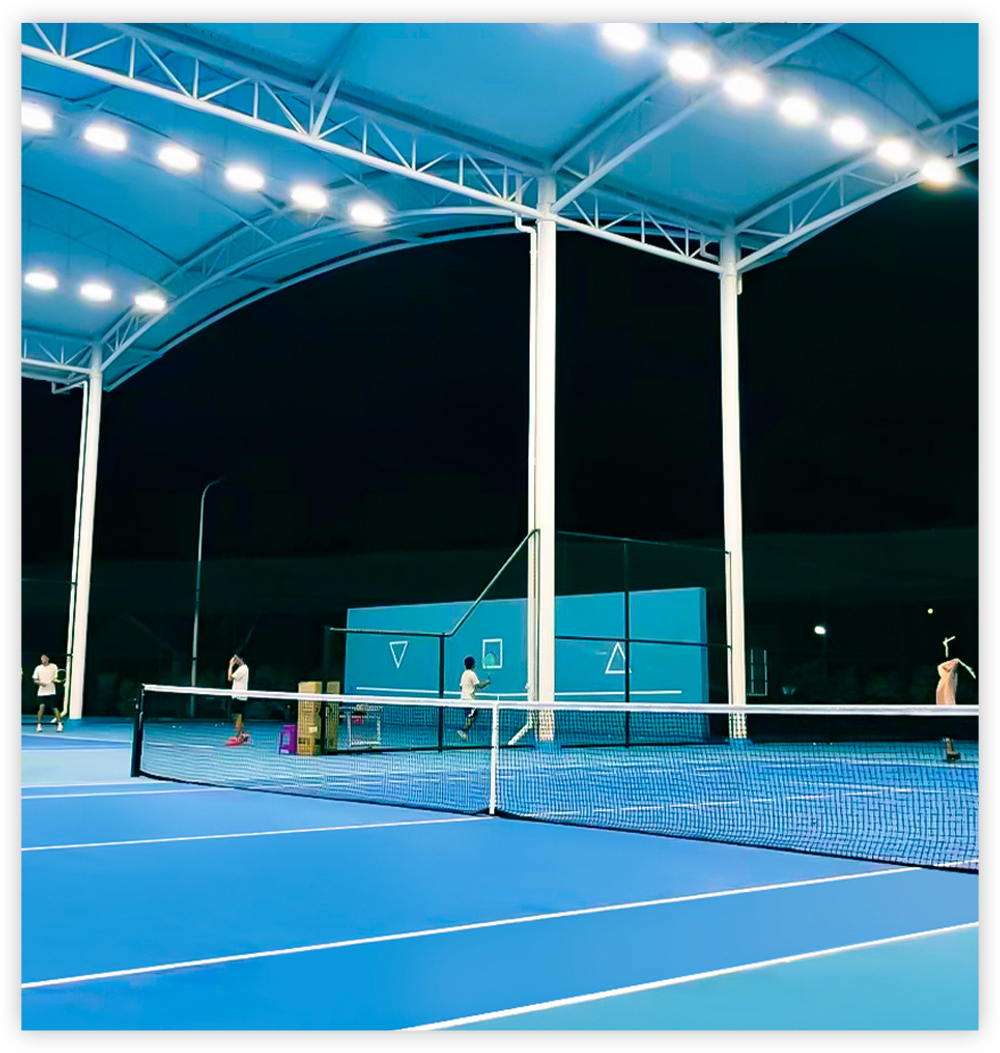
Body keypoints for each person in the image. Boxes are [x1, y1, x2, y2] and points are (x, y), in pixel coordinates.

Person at [456, 656, 489, 741]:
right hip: (470, 700)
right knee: (473, 715)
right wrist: (486, 682)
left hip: (463, 699)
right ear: (473, 665)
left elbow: (461, 687)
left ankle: (464, 733)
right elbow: (479, 685)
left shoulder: (463, 674)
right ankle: (463, 730)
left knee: (469, 716)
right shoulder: (472, 674)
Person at [33, 655, 61, 732]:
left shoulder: (54, 667)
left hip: (52, 691)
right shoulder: (38, 668)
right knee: (41, 708)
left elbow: (56, 677)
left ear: (48, 659)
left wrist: (55, 680)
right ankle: (39, 725)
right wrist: (40, 683)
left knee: (55, 708)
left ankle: (60, 724)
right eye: (42, 658)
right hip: (42, 692)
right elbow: (35, 680)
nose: (43, 659)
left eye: (44, 658)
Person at [227, 654, 250, 744]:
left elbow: (229, 678)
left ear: (241, 659)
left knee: (237, 716)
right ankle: (242, 734)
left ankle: (239, 735)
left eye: (237, 659)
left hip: (239, 696)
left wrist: (230, 665)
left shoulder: (242, 669)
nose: (235, 661)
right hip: (238, 695)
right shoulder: (243, 669)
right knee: (238, 715)